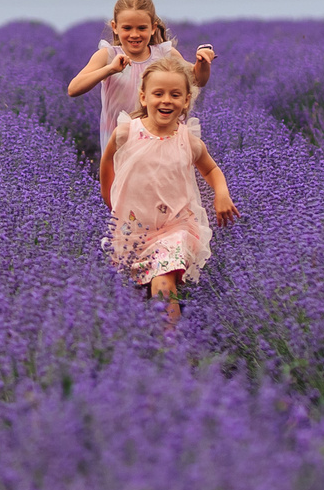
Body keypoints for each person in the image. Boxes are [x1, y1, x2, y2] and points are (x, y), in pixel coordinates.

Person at [99, 51, 238, 324]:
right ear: (144, 97)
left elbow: (210, 169)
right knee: (136, 295)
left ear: (186, 101)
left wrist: (221, 193)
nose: (166, 100)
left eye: (175, 95)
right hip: (133, 228)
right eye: (158, 93)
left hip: (177, 226)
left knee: (162, 283)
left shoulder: (189, 139)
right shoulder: (128, 132)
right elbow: (107, 163)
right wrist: (111, 200)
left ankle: (172, 351)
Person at [67, 0, 216, 145]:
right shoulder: (108, 55)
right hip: (121, 142)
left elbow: (197, 80)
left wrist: (202, 62)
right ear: (115, 27)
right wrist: (109, 69)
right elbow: (73, 89)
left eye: (142, 28)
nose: (134, 35)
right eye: (127, 28)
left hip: (162, 138)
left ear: (153, 28)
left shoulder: (165, 53)